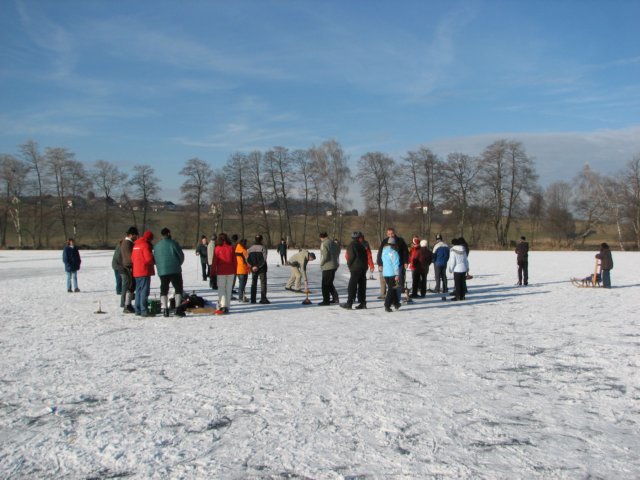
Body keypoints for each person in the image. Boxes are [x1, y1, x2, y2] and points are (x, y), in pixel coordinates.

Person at [153, 227, 185, 317]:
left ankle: (165, 310)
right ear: (168, 233)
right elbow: (181, 256)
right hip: (175, 269)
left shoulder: (157, 246)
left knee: (164, 289)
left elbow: (155, 258)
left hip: (162, 271)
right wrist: (178, 264)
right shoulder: (174, 243)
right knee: (178, 288)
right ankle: (178, 308)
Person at [376, 227, 409, 304]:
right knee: (389, 283)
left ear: (394, 233)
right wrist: (380, 264)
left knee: (398, 283)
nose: (390, 235)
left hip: (398, 265)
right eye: (389, 234)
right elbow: (380, 253)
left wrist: (406, 262)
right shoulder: (385, 241)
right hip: (387, 266)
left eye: (392, 233)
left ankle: (397, 299)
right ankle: (389, 298)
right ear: (387, 234)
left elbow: (405, 252)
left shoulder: (400, 241)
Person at [342, 231, 368, 309]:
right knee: (362, 286)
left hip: (356, 268)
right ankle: (363, 303)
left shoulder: (352, 245)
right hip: (363, 268)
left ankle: (349, 303)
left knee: (352, 286)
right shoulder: (362, 245)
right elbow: (365, 257)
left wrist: (349, 265)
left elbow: (351, 257)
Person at [131, 230, 155, 316]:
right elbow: (148, 259)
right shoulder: (145, 245)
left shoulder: (136, 245)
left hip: (136, 271)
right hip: (144, 271)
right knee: (144, 290)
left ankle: (137, 309)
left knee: (138, 291)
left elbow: (132, 258)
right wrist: (153, 259)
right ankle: (144, 310)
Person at [212, 233, 237, 314]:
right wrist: (235, 271)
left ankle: (223, 305)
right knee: (229, 289)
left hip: (221, 272)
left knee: (221, 289)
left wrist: (212, 272)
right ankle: (227, 306)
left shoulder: (217, 248)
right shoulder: (231, 248)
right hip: (231, 271)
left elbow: (214, 262)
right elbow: (235, 261)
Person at [119, 226, 138, 313]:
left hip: (127, 266)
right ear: (131, 235)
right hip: (128, 267)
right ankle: (127, 305)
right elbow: (129, 257)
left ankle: (128, 304)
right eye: (135, 235)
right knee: (130, 286)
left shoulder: (127, 242)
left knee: (131, 286)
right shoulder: (127, 243)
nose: (136, 237)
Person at [246, 234, 269, 304]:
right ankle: (263, 298)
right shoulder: (263, 248)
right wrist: (258, 266)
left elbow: (247, 259)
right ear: (261, 240)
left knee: (254, 283)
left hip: (253, 269)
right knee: (263, 283)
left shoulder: (250, 249)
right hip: (262, 268)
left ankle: (253, 299)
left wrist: (252, 266)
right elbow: (264, 259)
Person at [318, 232, 340, 306]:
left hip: (327, 266)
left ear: (321, 237)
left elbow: (325, 255)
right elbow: (338, 252)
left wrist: (321, 263)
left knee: (325, 284)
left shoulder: (324, 243)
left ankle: (326, 301)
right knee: (329, 283)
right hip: (334, 265)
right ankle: (335, 298)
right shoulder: (333, 242)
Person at [381, 237, 401, 312]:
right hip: (392, 273)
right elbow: (396, 264)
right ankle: (387, 304)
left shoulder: (384, 251)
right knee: (391, 289)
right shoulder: (394, 253)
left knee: (392, 288)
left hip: (385, 273)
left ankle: (396, 303)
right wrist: (397, 274)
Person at [235, 238, 250, 302]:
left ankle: (242, 296)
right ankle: (241, 297)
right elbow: (247, 261)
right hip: (243, 269)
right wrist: (249, 269)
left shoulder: (236, 249)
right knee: (242, 284)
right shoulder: (244, 251)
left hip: (237, 269)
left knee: (241, 283)